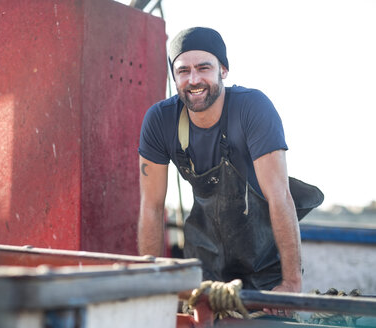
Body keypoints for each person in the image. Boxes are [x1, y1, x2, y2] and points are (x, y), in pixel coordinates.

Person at [138, 27, 322, 317]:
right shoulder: (160, 121)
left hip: (264, 275)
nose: (194, 79)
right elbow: (151, 206)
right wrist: (151, 282)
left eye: (204, 68)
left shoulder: (252, 108)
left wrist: (290, 283)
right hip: (203, 273)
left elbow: (279, 196)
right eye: (183, 70)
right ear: (174, 77)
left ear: (223, 70)